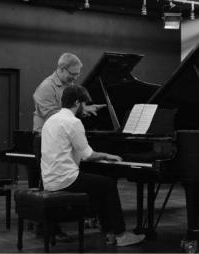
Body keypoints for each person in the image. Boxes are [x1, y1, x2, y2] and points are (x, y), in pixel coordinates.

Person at [41, 85, 146, 247]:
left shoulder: (51, 120)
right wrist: (107, 155)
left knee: (99, 187)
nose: (86, 107)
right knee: (108, 185)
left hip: (49, 179)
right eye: (84, 103)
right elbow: (88, 155)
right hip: (66, 179)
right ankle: (121, 234)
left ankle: (110, 233)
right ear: (77, 102)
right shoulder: (73, 122)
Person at [32, 53, 105, 239]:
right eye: (73, 73)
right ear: (62, 68)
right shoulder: (45, 87)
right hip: (45, 138)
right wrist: (81, 110)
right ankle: (46, 228)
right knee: (47, 184)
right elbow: (51, 116)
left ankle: (87, 215)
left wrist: (83, 108)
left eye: (78, 74)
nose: (75, 77)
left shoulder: (70, 87)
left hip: (60, 138)